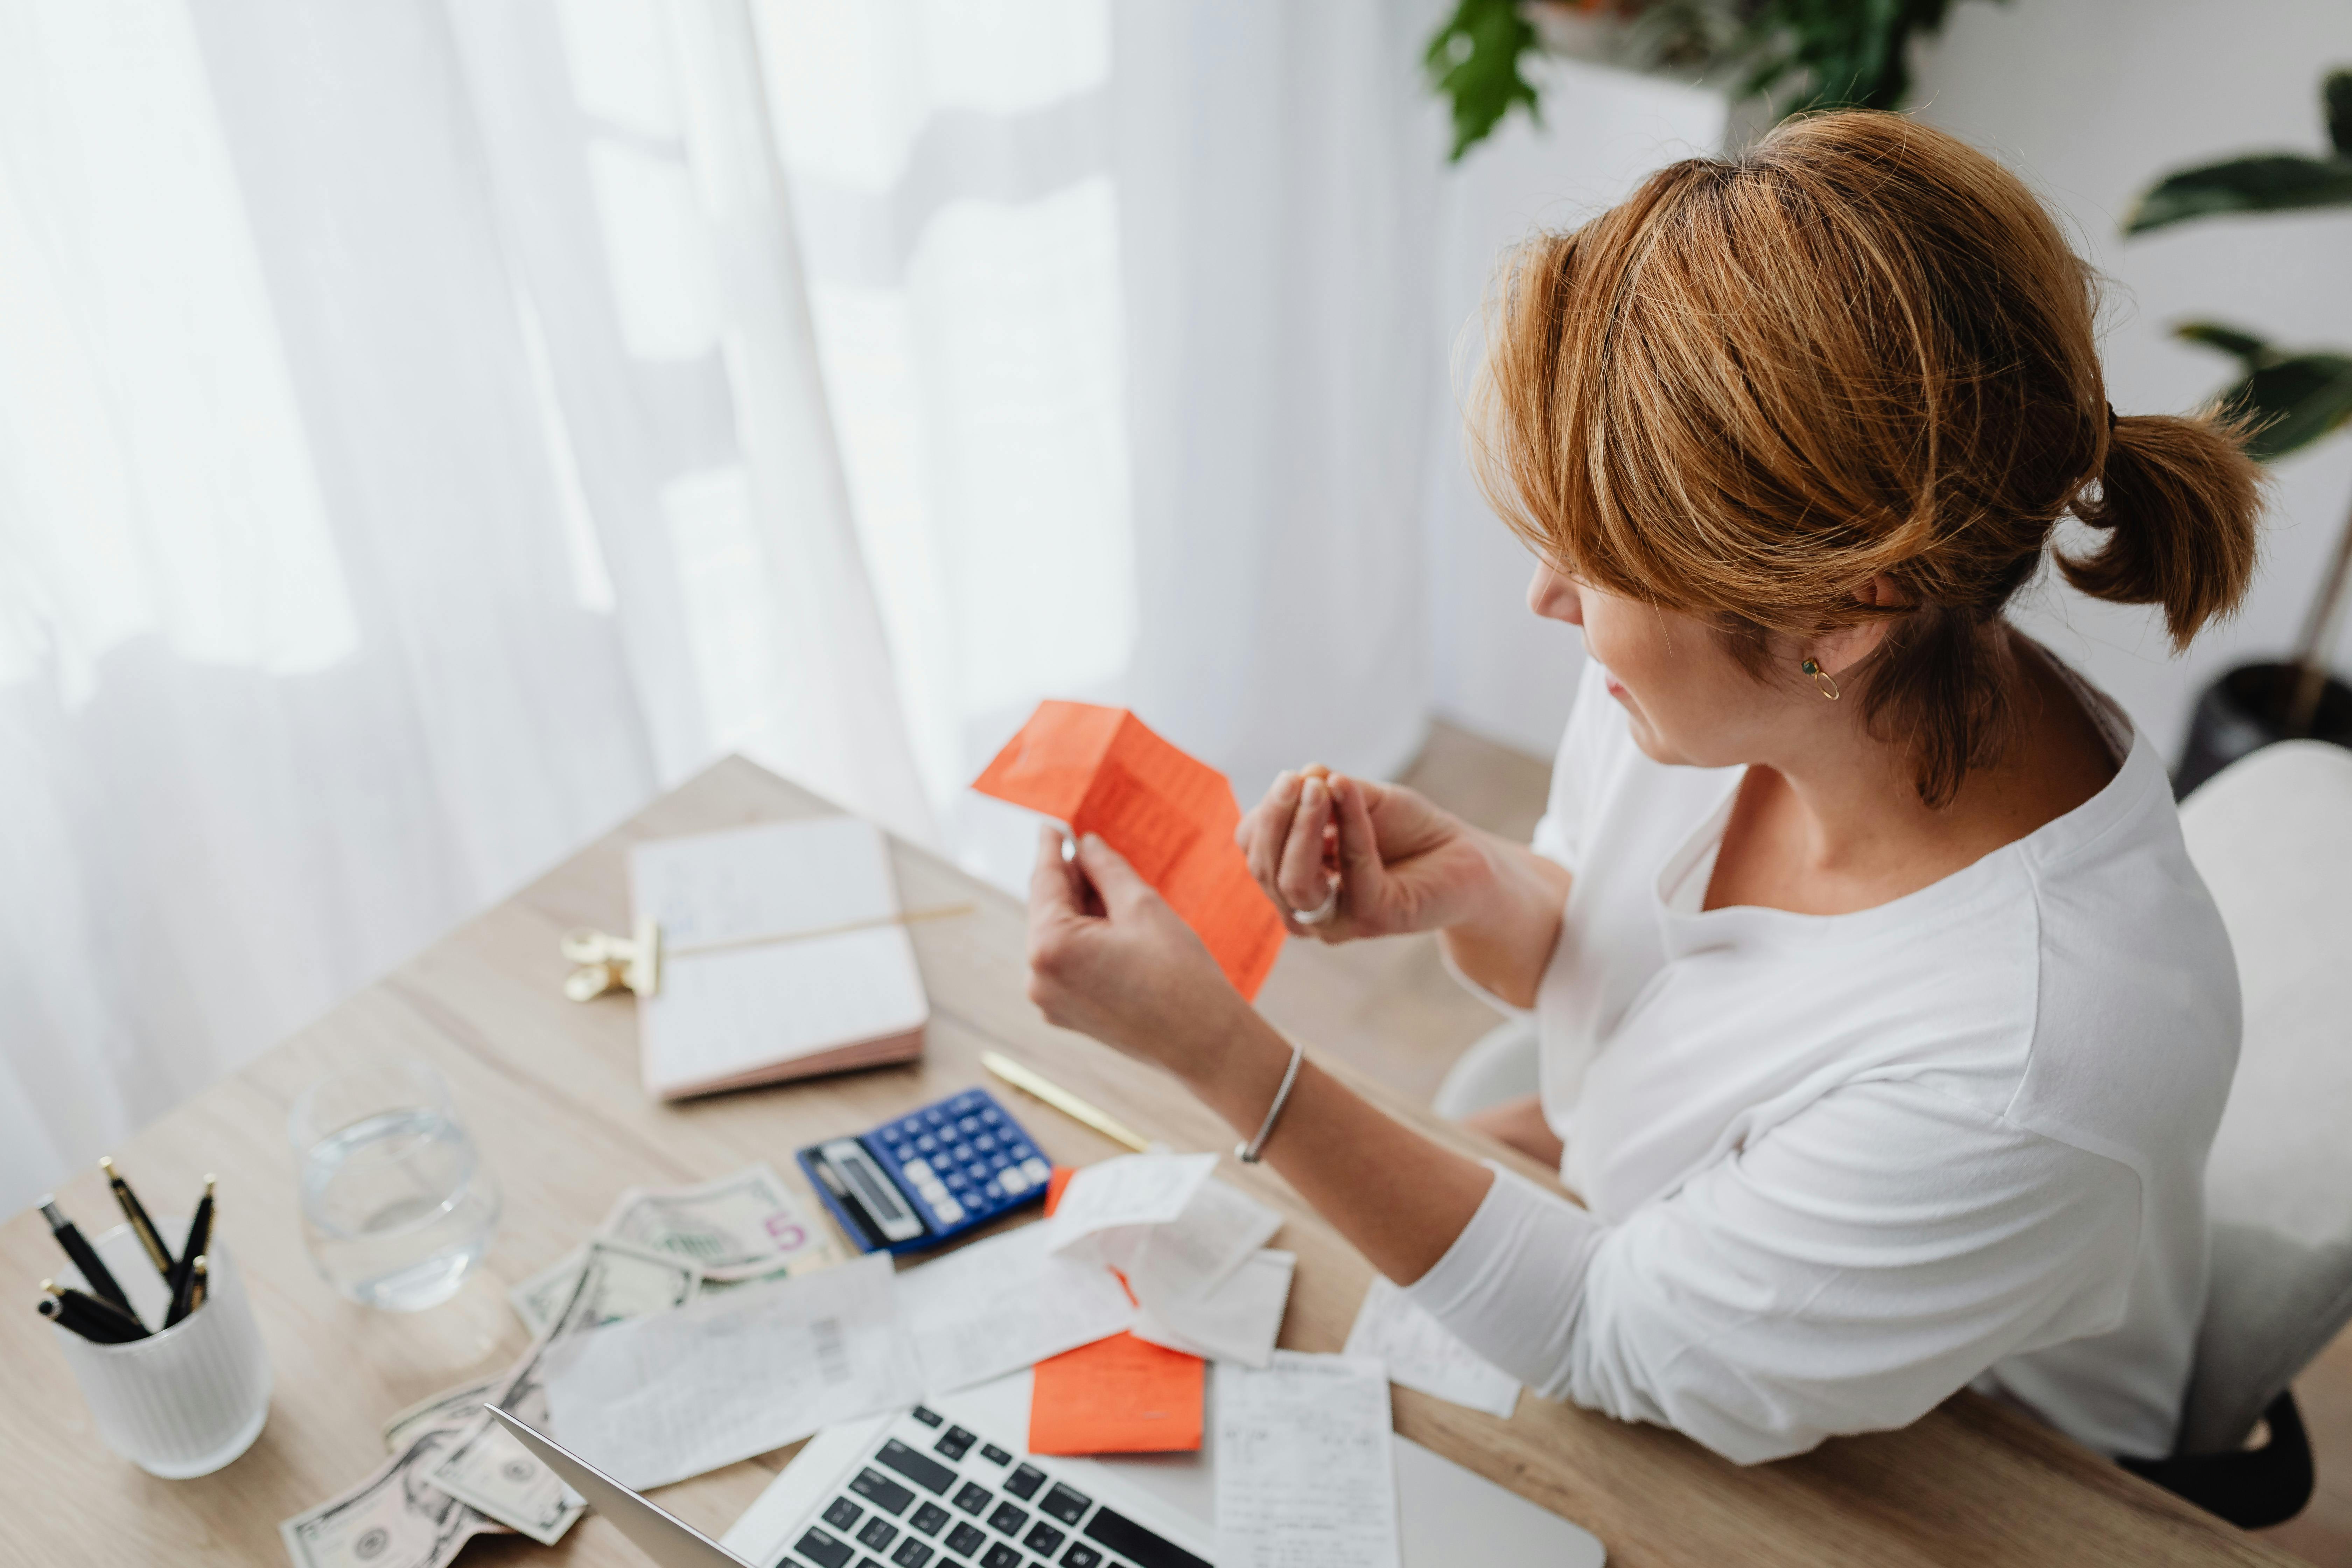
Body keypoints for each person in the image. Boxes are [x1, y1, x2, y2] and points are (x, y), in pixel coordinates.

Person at [1023, 110, 2263, 1465]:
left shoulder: (2039, 1053)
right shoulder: (1758, 671)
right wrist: (1491, 889)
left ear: (1841, 614)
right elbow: (1656, 988)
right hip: (1700, 1250)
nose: (1550, 597)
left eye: (1597, 559)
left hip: (1964, 1465)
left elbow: (1615, 1340)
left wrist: (1222, 1053)